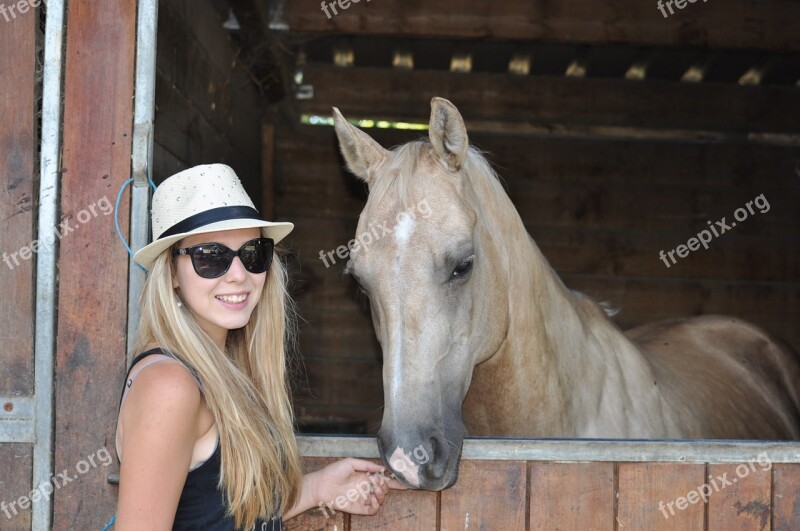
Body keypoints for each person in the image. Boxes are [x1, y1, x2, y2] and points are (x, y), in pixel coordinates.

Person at [114, 164, 404, 529]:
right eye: (210, 257)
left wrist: (316, 489)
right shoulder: (170, 386)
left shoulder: (222, 367)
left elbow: (214, 515)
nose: (238, 274)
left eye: (253, 253)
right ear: (172, 272)